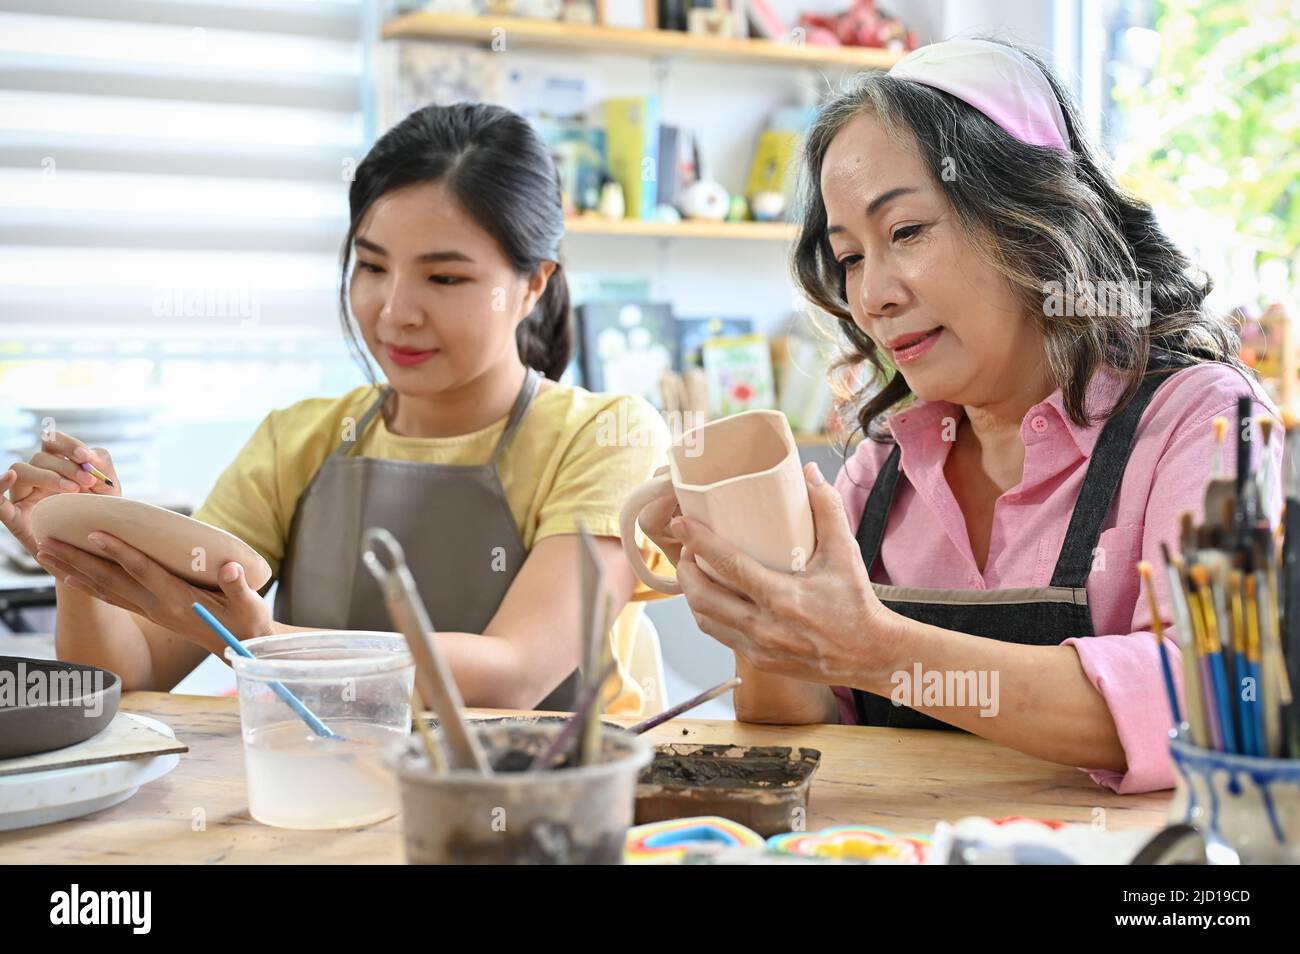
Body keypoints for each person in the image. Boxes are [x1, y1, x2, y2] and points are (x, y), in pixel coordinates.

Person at [640, 38, 1281, 793]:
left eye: (906, 232)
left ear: (1029, 216)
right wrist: (761, 591)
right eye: (849, 257)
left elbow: (1208, 701)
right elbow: (803, 720)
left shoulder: (1203, 423)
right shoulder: (887, 464)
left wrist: (877, 648)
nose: (872, 294)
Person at [3, 102, 669, 713]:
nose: (396, 312)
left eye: (445, 278)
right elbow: (136, 674)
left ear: (533, 284)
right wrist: (82, 555)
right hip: (327, 797)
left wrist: (269, 640)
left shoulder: (605, 435)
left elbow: (516, 675)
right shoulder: (297, 439)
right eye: (373, 267)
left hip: (542, 813)